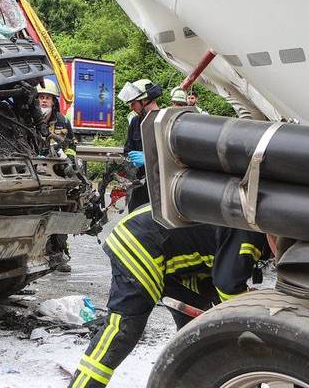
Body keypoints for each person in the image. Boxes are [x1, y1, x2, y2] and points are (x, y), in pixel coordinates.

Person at [68, 206, 268, 388]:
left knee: (196, 334)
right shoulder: (251, 234)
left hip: (172, 258)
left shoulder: (256, 226)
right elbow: (228, 286)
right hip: (141, 243)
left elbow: (220, 278)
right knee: (123, 331)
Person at [37, 78, 76, 272]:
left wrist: (70, 163)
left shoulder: (62, 122)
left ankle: (58, 253)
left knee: (61, 211)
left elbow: (71, 146)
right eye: (41, 97)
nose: (44, 101)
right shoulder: (28, 119)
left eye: (48, 98)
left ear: (54, 101)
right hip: (35, 172)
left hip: (58, 173)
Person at [117, 79, 162, 210]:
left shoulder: (164, 121)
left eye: (133, 103)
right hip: (138, 185)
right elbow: (127, 149)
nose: (131, 107)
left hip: (159, 187)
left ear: (145, 100)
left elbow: (173, 157)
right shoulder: (135, 122)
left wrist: (149, 158)